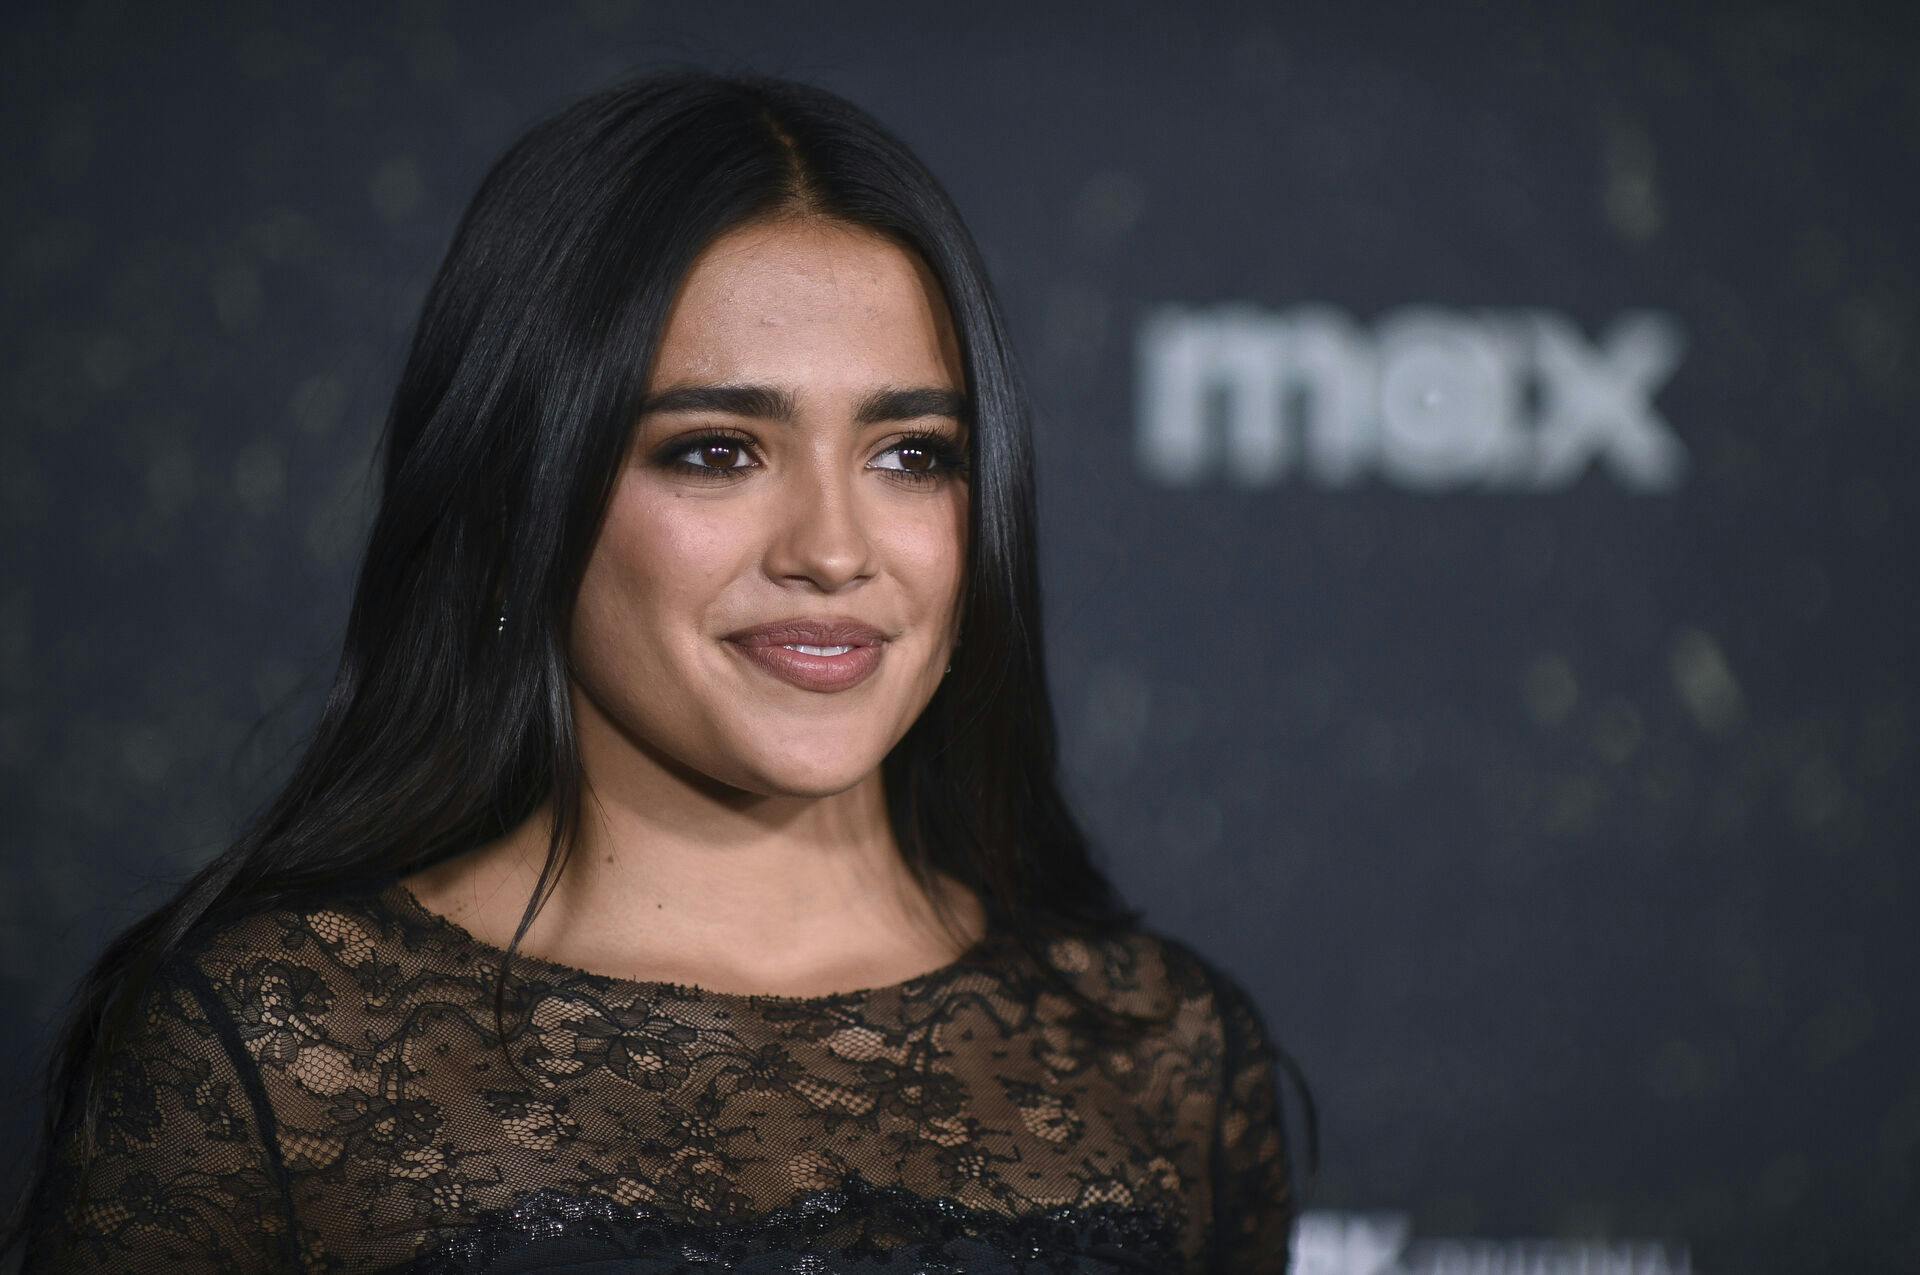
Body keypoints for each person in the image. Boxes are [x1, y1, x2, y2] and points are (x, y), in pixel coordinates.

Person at [7, 70, 1308, 1273]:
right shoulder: (273, 1052)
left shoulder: (1162, 1056)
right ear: (525, 491)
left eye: (911, 454)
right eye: (717, 451)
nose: (834, 551)